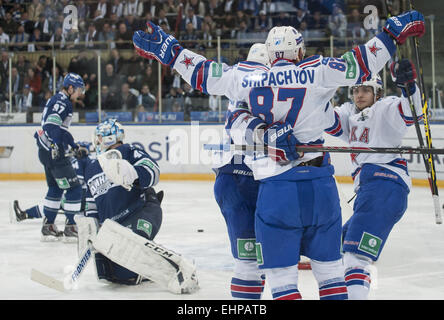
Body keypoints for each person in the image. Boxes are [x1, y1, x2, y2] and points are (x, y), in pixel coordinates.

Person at [132, 10, 425, 300]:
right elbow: (360, 62)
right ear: (299, 50)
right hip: (321, 186)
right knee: (332, 275)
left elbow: (204, 74)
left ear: (270, 54)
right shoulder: (317, 71)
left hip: (276, 187)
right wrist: (390, 34)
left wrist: (169, 51)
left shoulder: (245, 77)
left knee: (281, 281)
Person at [328, 60, 422, 299]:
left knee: (355, 256)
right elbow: (324, 118)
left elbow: (413, 111)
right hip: (371, 190)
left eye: (366, 90)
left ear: (377, 93)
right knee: (339, 244)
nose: (360, 94)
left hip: (385, 185)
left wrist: (408, 85)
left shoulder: (386, 108)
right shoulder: (349, 113)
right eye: (356, 90)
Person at [75, 119, 197, 293]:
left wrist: (133, 174)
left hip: (143, 210)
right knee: (116, 275)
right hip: (115, 228)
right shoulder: (91, 167)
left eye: (100, 137)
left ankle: (183, 271)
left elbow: (153, 171)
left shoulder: (128, 151)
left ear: (109, 137)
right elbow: (91, 202)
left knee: (135, 244)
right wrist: (92, 227)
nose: (97, 142)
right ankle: (145, 271)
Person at [212, 43, 270, 299]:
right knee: (251, 261)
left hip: (234, 175)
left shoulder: (235, 79)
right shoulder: (268, 87)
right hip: (241, 175)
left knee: (254, 260)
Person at [33, 73, 86, 242]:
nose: (80, 94)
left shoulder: (59, 100)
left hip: (45, 152)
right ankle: (71, 226)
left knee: (55, 188)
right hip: (54, 153)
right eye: (78, 90)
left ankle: (48, 225)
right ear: (70, 88)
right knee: (74, 188)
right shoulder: (63, 102)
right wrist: (57, 145)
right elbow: (51, 125)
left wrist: (74, 145)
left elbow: (61, 131)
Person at [12, 142, 92, 223]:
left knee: (55, 204)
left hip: (83, 198)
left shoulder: (75, 161)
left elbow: (77, 181)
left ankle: (25, 214)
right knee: (59, 202)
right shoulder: (86, 161)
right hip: (87, 198)